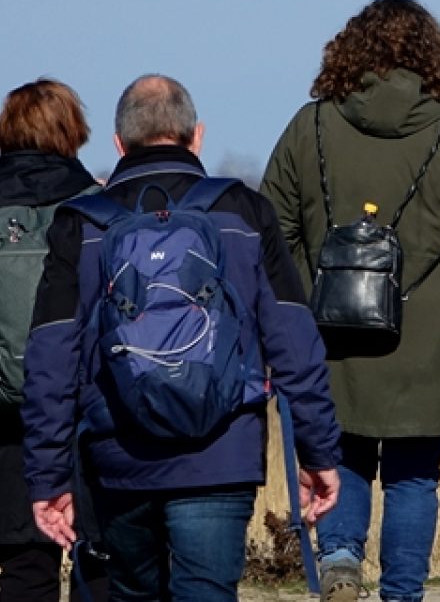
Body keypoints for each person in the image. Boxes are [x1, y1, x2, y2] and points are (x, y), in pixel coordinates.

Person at [262, 0, 440, 602]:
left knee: (342, 453)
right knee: (415, 478)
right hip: (429, 346)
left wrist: (277, 332)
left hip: (328, 339)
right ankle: (402, 593)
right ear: (433, 60)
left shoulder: (307, 128)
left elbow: (272, 239)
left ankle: (340, 558)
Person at [23, 74, 343, 602]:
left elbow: (50, 359)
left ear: (119, 144)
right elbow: (293, 340)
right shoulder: (242, 212)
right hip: (220, 453)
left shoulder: (80, 225)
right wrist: (318, 451)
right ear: (196, 136)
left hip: (118, 455)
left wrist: (47, 476)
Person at [0, 80, 108, 602]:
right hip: (88, 424)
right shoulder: (101, 214)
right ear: (73, 132)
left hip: (1, 426)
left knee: (24, 576)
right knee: (98, 568)